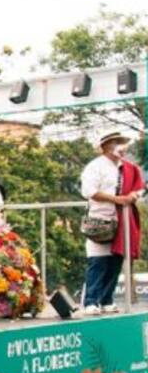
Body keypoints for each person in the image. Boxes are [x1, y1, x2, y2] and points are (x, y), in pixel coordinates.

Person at [80, 129, 142, 314]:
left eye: (122, 142)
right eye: (116, 142)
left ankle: (107, 299)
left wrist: (133, 195)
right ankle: (91, 301)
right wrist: (116, 199)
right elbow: (89, 191)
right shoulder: (95, 167)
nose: (121, 147)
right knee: (98, 260)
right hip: (101, 219)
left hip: (123, 219)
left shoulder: (129, 168)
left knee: (116, 261)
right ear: (106, 146)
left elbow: (139, 187)